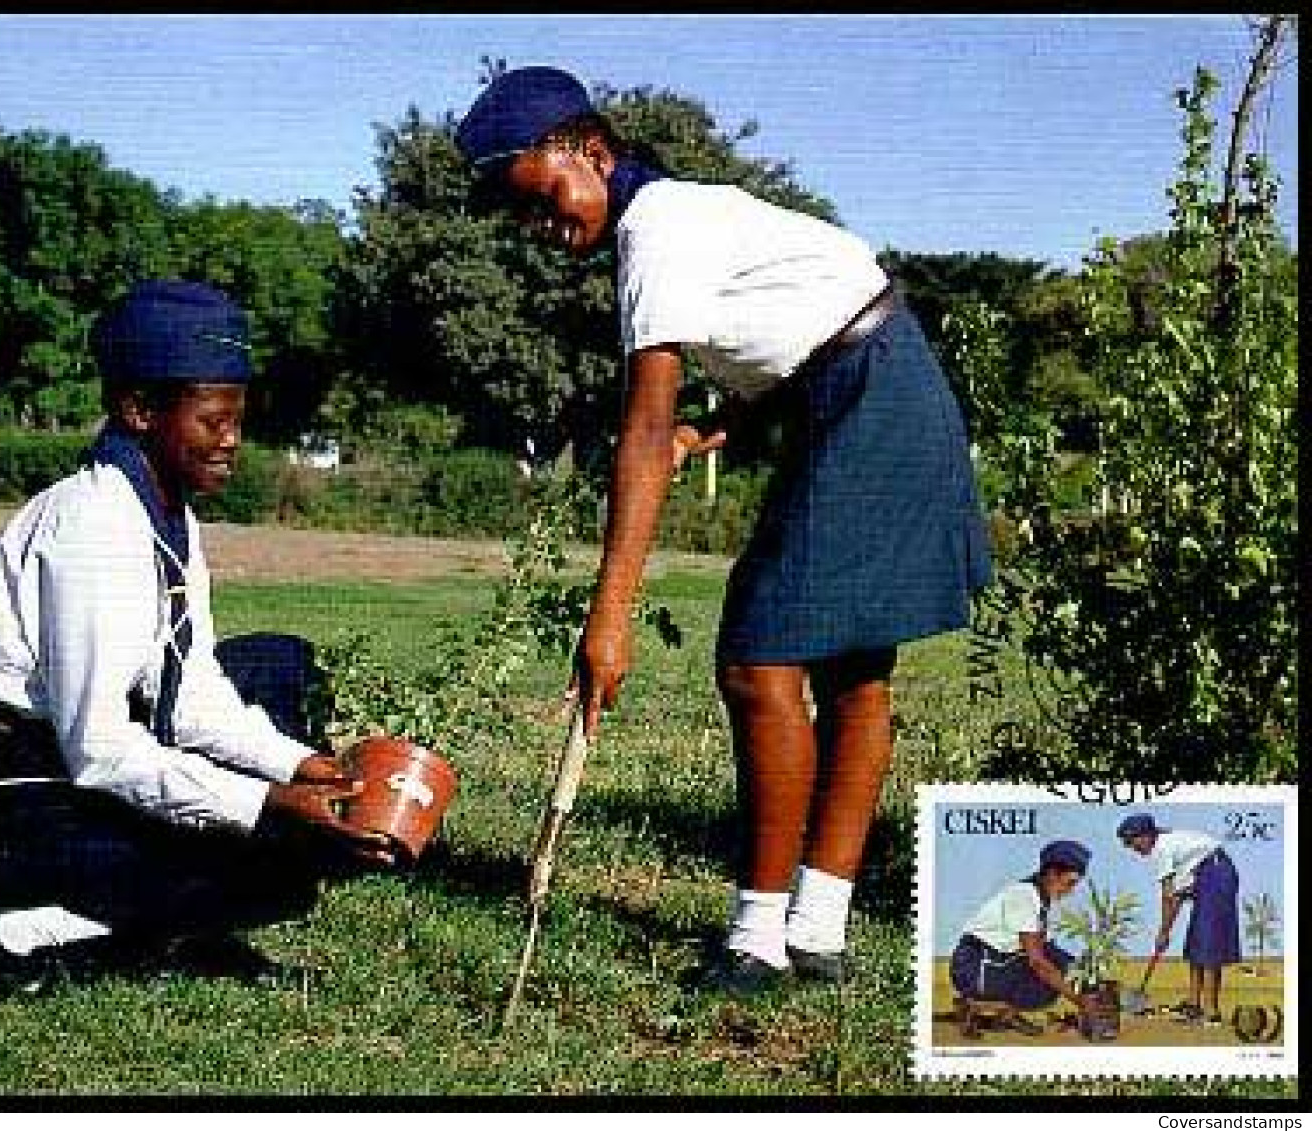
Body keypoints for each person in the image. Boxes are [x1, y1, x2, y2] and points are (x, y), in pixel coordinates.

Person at [454, 66, 992, 993]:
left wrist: (608, 616)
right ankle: (814, 928)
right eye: (523, 219)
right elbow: (804, 326)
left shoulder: (653, 227)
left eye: (544, 200)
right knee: (853, 667)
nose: (542, 229)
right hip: (880, 381)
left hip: (871, 398)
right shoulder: (678, 218)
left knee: (758, 659)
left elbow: (644, 425)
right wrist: (725, 427)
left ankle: (756, 939)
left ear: (588, 148)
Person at [0, 279, 396, 1004]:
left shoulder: (166, 512)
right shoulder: (92, 526)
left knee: (277, 666)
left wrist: (306, 766)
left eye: (237, 419)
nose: (232, 440)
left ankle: (143, 913)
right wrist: (271, 804)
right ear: (138, 410)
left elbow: (190, 695)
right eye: (212, 420)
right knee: (273, 854)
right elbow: (99, 750)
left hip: (52, 768)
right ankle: (4, 934)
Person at [949, 840, 1096, 1038]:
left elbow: (1048, 948)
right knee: (1051, 976)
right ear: (1052, 874)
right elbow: (1037, 962)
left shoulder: (1041, 898)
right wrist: (1079, 999)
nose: (1071, 891)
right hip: (974, 966)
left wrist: (1083, 970)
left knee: (1063, 965)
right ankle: (975, 1005)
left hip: (998, 961)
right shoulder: (1023, 897)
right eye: (1069, 883)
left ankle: (1006, 1014)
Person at [1116, 813, 1240, 1026]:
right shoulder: (1166, 844)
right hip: (1208, 875)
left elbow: (1168, 896)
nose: (1131, 848)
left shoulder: (1161, 849)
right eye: (1127, 843)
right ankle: (1193, 1004)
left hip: (1216, 874)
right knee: (1197, 942)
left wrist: (1163, 932)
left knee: (1209, 945)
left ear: (1146, 835)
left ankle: (1211, 1013)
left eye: (1131, 841)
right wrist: (1167, 928)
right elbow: (1177, 897)